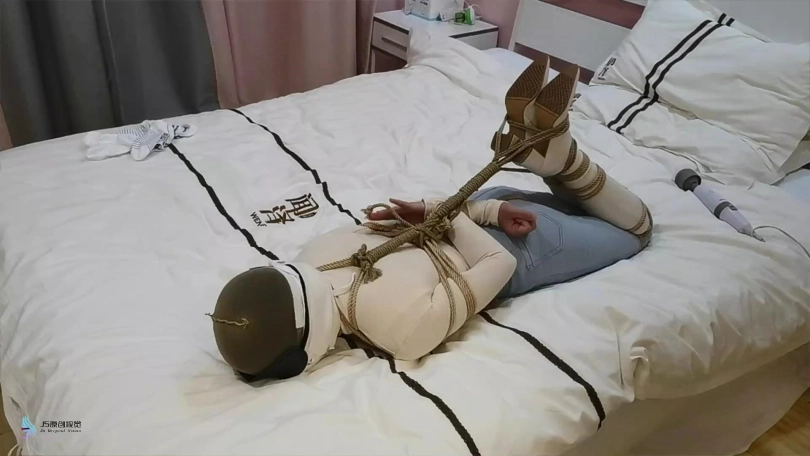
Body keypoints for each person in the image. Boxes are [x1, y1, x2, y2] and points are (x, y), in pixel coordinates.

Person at [208, 59, 653, 382]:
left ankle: (563, 161)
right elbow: (416, 220)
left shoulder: (400, 334)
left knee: (637, 232)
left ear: (298, 359)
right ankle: (557, 161)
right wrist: (479, 208)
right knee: (584, 211)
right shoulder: (315, 253)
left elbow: (500, 266)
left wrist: (475, 215)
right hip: (476, 205)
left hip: (524, 244)